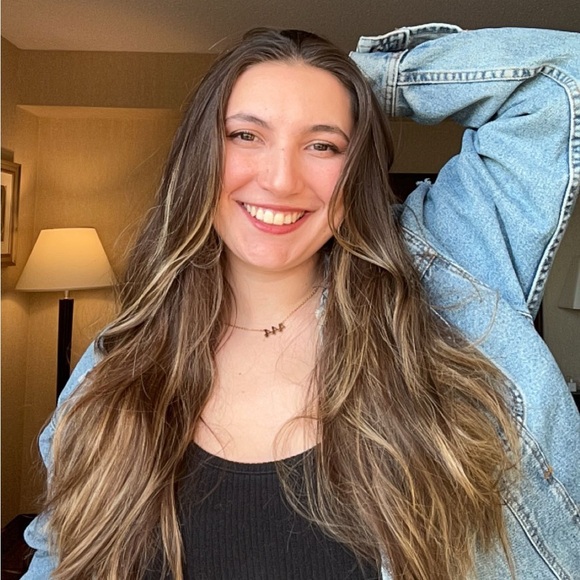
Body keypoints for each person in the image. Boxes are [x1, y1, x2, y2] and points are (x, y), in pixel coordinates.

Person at [22, 23, 579, 580]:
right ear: (201, 154)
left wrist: (364, 83)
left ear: (355, 170)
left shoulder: (442, 285)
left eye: (322, 145)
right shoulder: (116, 367)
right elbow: (60, 555)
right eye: (246, 135)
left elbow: (559, 83)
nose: (281, 180)